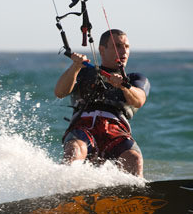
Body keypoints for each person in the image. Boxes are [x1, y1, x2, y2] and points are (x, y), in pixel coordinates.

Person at [54, 29, 150, 177]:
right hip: (83, 127)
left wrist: (123, 86)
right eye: (117, 46)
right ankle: (62, 189)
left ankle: (135, 197)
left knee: (134, 158)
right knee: (75, 149)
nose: (123, 51)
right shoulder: (83, 71)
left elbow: (139, 100)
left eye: (126, 46)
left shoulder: (135, 79)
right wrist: (75, 67)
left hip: (115, 131)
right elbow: (60, 92)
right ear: (102, 50)